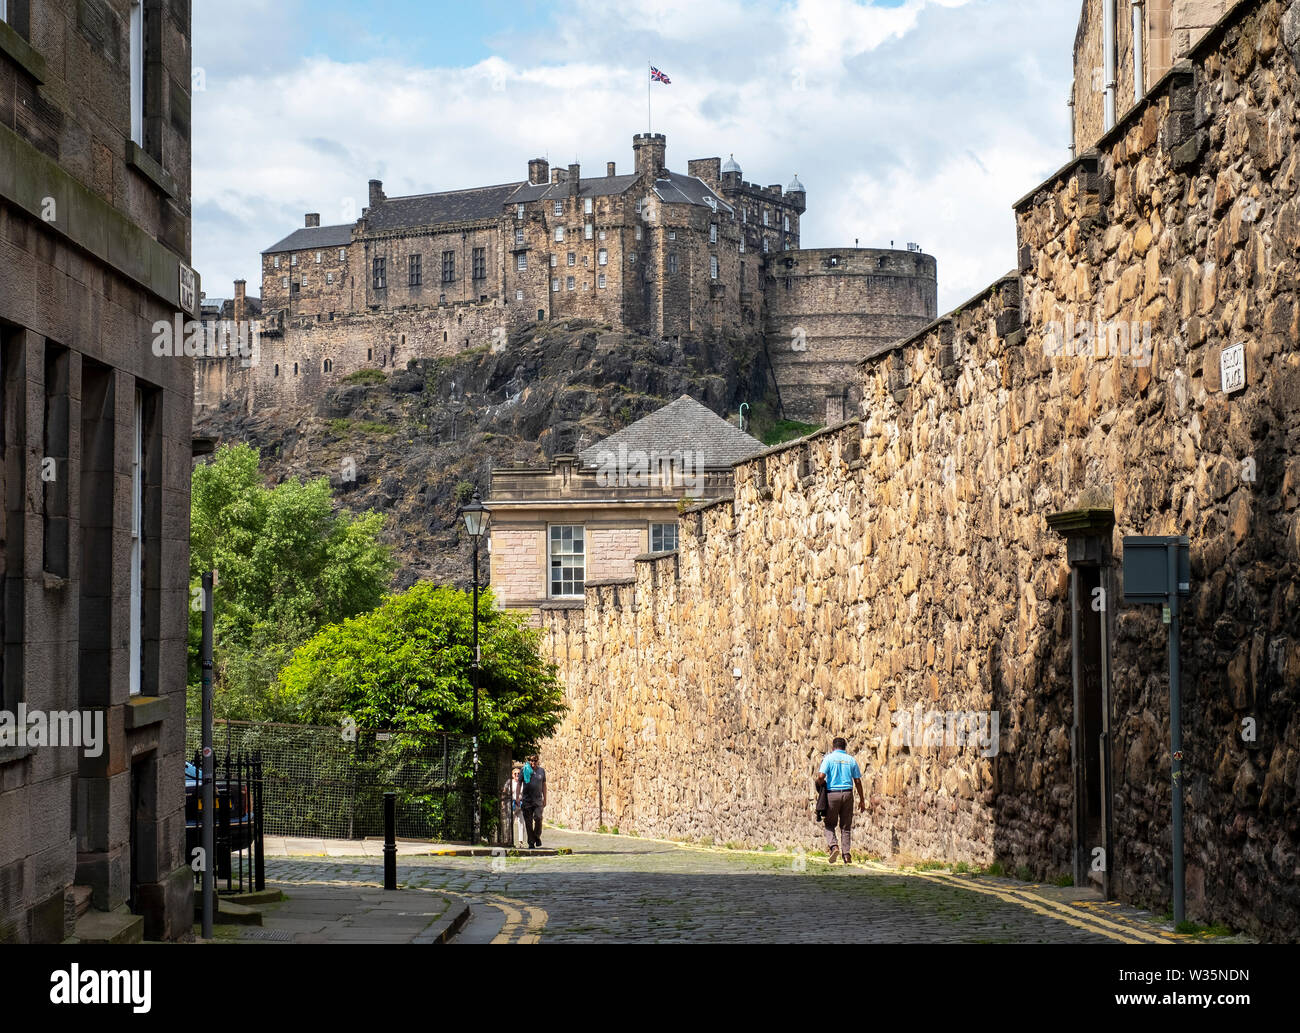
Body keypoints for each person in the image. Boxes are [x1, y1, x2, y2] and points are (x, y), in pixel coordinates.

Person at [816, 737, 865, 864]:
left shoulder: (829, 758)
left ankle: (834, 847)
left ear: (833, 747)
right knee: (845, 826)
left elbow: (821, 776)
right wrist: (862, 799)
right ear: (845, 747)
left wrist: (820, 784)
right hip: (848, 794)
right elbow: (858, 781)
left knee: (829, 824)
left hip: (833, 795)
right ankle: (847, 855)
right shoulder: (851, 760)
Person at [520, 752, 547, 849]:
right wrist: (518, 797)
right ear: (529, 761)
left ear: (537, 761)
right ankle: (531, 842)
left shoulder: (541, 771)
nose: (533, 762)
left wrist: (545, 798)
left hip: (538, 800)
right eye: (531, 760)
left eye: (535, 760)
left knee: (538, 818)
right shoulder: (524, 770)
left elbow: (544, 785)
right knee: (528, 822)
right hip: (527, 800)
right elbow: (519, 783)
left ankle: (536, 836)